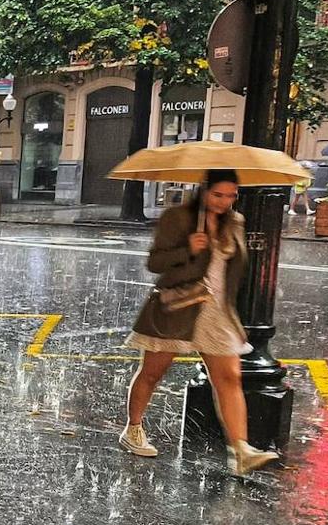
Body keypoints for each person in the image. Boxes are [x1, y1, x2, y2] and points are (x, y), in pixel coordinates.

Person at [119, 169, 280, 476]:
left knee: (229, 379)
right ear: (204, 191)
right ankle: (133, 429)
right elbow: (155, 263)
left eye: (232, 195)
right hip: (179, 307)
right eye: (218, 194)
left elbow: (232, 276)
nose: (225, 201)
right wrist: (187, 250)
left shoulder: (235, 222)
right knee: (153, 373)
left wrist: (233, 318)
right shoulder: (177, 218)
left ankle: (241, 450)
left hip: (216, 313)